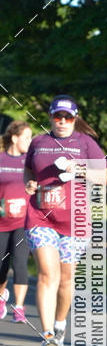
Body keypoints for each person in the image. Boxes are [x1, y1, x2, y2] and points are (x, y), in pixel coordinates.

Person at [24, 95, 107, 346]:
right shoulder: (39, 142)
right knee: (46, 274)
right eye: (57, 116)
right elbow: (29, 170)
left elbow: (105, 178)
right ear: (50, 117)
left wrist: (81, 169)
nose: (62, 121)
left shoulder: (86, 144)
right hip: (41, 217)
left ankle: (60, 323)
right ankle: (48, 333)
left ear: (75, 119)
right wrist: (28, 184)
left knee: (65, 278)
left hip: (76, 222)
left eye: (68, 117)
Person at [0, 120, 32, 322]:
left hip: (23, 221)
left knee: (20, 263)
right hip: (1, 222)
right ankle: (1, 298)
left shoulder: (29, 162)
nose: (30, 141)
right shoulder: (1, 159)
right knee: (2, 265)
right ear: (14, 138)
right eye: (27, 137)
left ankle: (19, 308)